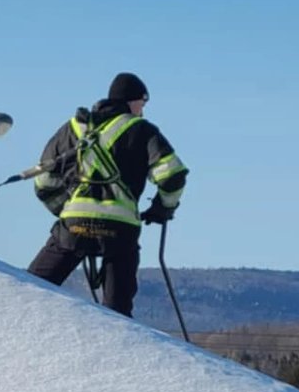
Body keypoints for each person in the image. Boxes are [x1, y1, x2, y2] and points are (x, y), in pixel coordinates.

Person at [27, 73, 187, 316]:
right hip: (119, 230)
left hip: (73, 228)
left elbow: (44, 180)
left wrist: (65, 209)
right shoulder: (142, 130)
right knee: (117, 312)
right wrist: (162, 208)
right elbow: (172, 175)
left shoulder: (73, 128)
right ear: (132, 102)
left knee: (31, 289)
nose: (142, 112)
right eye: (142, 105)